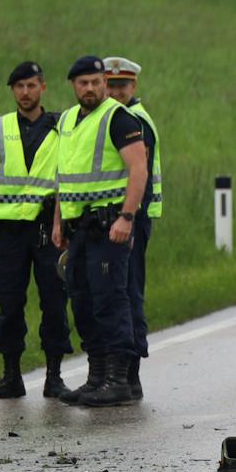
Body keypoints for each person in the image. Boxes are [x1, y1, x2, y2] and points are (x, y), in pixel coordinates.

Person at [51, 55, 149, 408]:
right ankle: (96, 377)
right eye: (83, 83)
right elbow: (63, 175)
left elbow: (139, 169)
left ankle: (119, 380)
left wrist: (127, 217)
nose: (89, 88)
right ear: (73, 86)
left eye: (95, 82)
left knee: (110, 300)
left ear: (104, 84)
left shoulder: (118, 117)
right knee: (83, 302)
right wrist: (59, 222)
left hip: (110, 227)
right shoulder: (66, 120)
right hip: (78, 229)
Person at [0, 60, 70, 400]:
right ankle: (11, 376)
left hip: (49, 231)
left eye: (31, 86)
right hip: (9, 232)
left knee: (55, 303)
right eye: (19, 87)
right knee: (10, 304)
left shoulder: (62, 126)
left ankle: (54, 377)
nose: (25, 93)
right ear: (12, 90)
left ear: (43, 87)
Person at [103, 57, 160, 401]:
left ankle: (130, 374)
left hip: (133, 218)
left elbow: (138, 174)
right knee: (116, 292)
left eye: (122, 86)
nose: (115, 91)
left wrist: (128, 216)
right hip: (121, 218)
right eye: (111, 85)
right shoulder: (111, 119)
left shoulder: (135, 121)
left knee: (128, 293)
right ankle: (117, 373)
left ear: (133, 88)